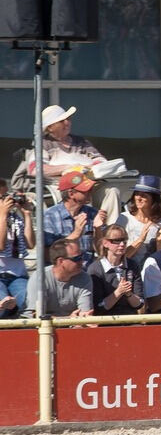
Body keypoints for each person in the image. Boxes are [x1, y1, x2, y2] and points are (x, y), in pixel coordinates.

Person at [19, 104, 123, 223]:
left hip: (89, 181)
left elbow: (101, 160)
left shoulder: (81, 142)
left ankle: (110, 229)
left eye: (68, 119)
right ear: (50, 127)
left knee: (111, 190)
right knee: (70, 195)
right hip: (61, 186)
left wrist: (90, 167)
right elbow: (35, 169)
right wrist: (69, 168)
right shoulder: (43, 144)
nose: (67, 123)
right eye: (62, 121)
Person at [43, 171, 105, 263]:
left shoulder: (93, 213)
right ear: (71, 194)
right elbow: (47, 255)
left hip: (88, 269)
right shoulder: (50, 216)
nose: (90, 192)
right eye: (86, 190)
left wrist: (98, 229)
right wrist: (76, 234)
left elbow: (102, 253)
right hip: (63, 269)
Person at [22, 238, 93, 318]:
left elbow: (85, 313)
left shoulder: (85, 278)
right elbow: (36, 315)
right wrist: (68, 319)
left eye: (82, 256)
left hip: (74, 324)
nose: (82, 261)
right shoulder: (40, 278)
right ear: (60, 261)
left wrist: (77, 319)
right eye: (77, 258)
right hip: (40, 325)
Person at [86, 224, 143, 315]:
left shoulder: (132, 265)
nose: (122, 244)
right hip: (106, 320)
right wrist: (118, 292)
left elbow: (139, 303)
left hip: (130, 319)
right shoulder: (95, 269)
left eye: (124, 240)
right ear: (105, 243)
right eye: (117, 241)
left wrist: (129, 294)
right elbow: (98, 307)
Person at [0, 181, 34, 317]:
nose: (7, 199)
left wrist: (27, 214)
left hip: (17, 275)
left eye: (7, 195)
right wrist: (2, 215)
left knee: (28, 302)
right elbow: (0, 246)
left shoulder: (15, 218)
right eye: (3, 197)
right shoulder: (3, 216)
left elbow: (30, 243)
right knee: (3, 304)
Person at [116, 175, 161, 268]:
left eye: (144, 195)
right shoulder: (124, 219)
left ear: (153, 199)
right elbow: (119, 257)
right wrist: (140, 239)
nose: (138, 198)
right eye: (137, 194)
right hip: (129, 272)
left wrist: (160, 242)